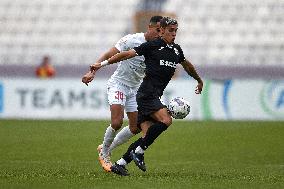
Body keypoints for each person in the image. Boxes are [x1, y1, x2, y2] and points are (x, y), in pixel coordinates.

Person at [90, 17, 203, 176]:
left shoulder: (176, 50)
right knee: (162, 120)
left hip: (139, 91)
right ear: (160, 30)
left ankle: (121, 163)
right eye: (170, 30)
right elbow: (125, 54)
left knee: (141, 131)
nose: (174, 33)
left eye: (176, 31)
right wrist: (100, 65)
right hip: (141, 92)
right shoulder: (150, 45)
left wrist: (198, 80)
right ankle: (121, 151)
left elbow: (187, 65)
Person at [82, 16, 163, 172]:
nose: (159, 34)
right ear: (150, 27)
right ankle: (105, 153)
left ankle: (105, 147)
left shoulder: (158, 47)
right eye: (157, 30)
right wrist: (92, 71)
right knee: (117, 122)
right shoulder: (132, 40)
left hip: (135, 89)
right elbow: (109, 54)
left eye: (162, 31)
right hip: (119, 84)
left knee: (135, 127)